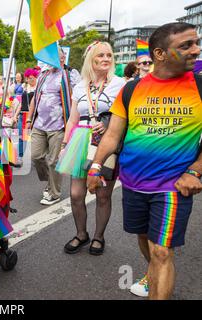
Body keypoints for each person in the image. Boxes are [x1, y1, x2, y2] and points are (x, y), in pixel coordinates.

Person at [87, 22, 202, 299]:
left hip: (172, 186)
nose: (196, 50)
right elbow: (113, 135)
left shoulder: (199, 85)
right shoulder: (131, 90)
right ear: (160, 54)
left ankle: (158, 278)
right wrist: (95, 166)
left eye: (196, 43)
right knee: (146, 240)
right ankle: (153, 275)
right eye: (186, 45)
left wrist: (196, 170)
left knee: (162, 251)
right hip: (133, 183)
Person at [56, 41, 125, 255]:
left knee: (103, 195)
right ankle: (81, 234)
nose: (106, 59)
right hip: (80, 140)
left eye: (109, 55)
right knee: (76, 194)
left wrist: (107, 124)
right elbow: (72, 119)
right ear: (91, 60)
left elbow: (125, 115)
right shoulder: (79, 86)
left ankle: (98, 236)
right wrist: (65, 144)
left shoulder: (120, 84)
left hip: (106, 142)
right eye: (100, 55)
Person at [27, 48, 81, 205]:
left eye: (55, 57)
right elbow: (35, 98)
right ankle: (50, 182)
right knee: (36, 156)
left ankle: (54, 193)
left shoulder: (70, 74)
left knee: (54, 161)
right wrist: (30, 118)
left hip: (58, 125)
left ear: (63, 58)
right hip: (39, 124)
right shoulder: (43, 74)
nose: (49, 60)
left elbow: (78, 97)